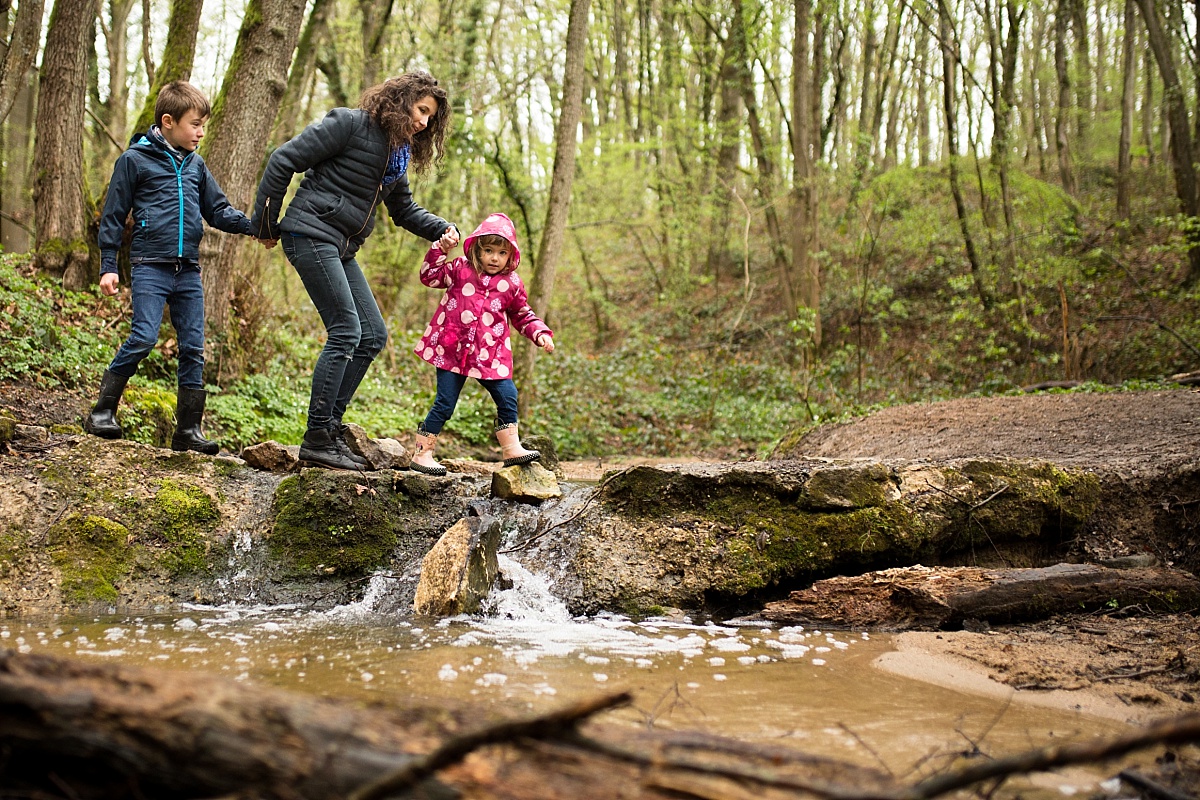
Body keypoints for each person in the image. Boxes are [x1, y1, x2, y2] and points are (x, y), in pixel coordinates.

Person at [250, 71, 459, 471]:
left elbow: (403, 210)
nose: (423, 123)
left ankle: (329, 430)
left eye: (430, 118)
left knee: (373, 334)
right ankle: (316, 438)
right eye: (421, 111)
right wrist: (265, 224)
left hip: (342, 247)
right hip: (310, 233)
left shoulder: (396, 156)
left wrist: (441, 227)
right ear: (400, 100)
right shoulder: (348, 124)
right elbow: (283, 159)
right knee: (347, 330)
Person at [86, 80, 258, 454]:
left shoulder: (196, 165)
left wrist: (255, 226)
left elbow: (218, 211)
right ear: (168, 121)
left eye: (203, 125)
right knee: (145, 336)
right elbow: (113, 216)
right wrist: (108, 265)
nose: (200, 132)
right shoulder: (134, 160)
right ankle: (102, 412)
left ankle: (188, 431)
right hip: (150, 265)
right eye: (194, 124)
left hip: (188, 270)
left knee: (194, 347)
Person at [409, 213, 554, 476]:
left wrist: (540, 333)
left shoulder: (512, 284)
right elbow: (429, 277)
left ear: (511, 256)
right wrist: (440, 249)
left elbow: (523, 315)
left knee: (507, 395)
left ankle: (511, 447)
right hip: (452, 350)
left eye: (501, 252)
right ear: (477, 248)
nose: (494, 258)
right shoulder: (460, 269)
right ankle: (422, 453)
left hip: (490, 355)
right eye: (488, 250)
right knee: (445, 402)